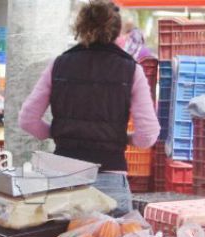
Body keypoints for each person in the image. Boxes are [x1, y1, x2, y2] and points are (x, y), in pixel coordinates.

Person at [19, 0, 159, 216]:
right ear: (117, 31)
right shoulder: (131, 70)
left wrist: (59, 132)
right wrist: (124, 137)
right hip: (109, 178)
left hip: (60, 177)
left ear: (80, 27)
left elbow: (27, 120)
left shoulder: (59, 64)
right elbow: (148, 136)